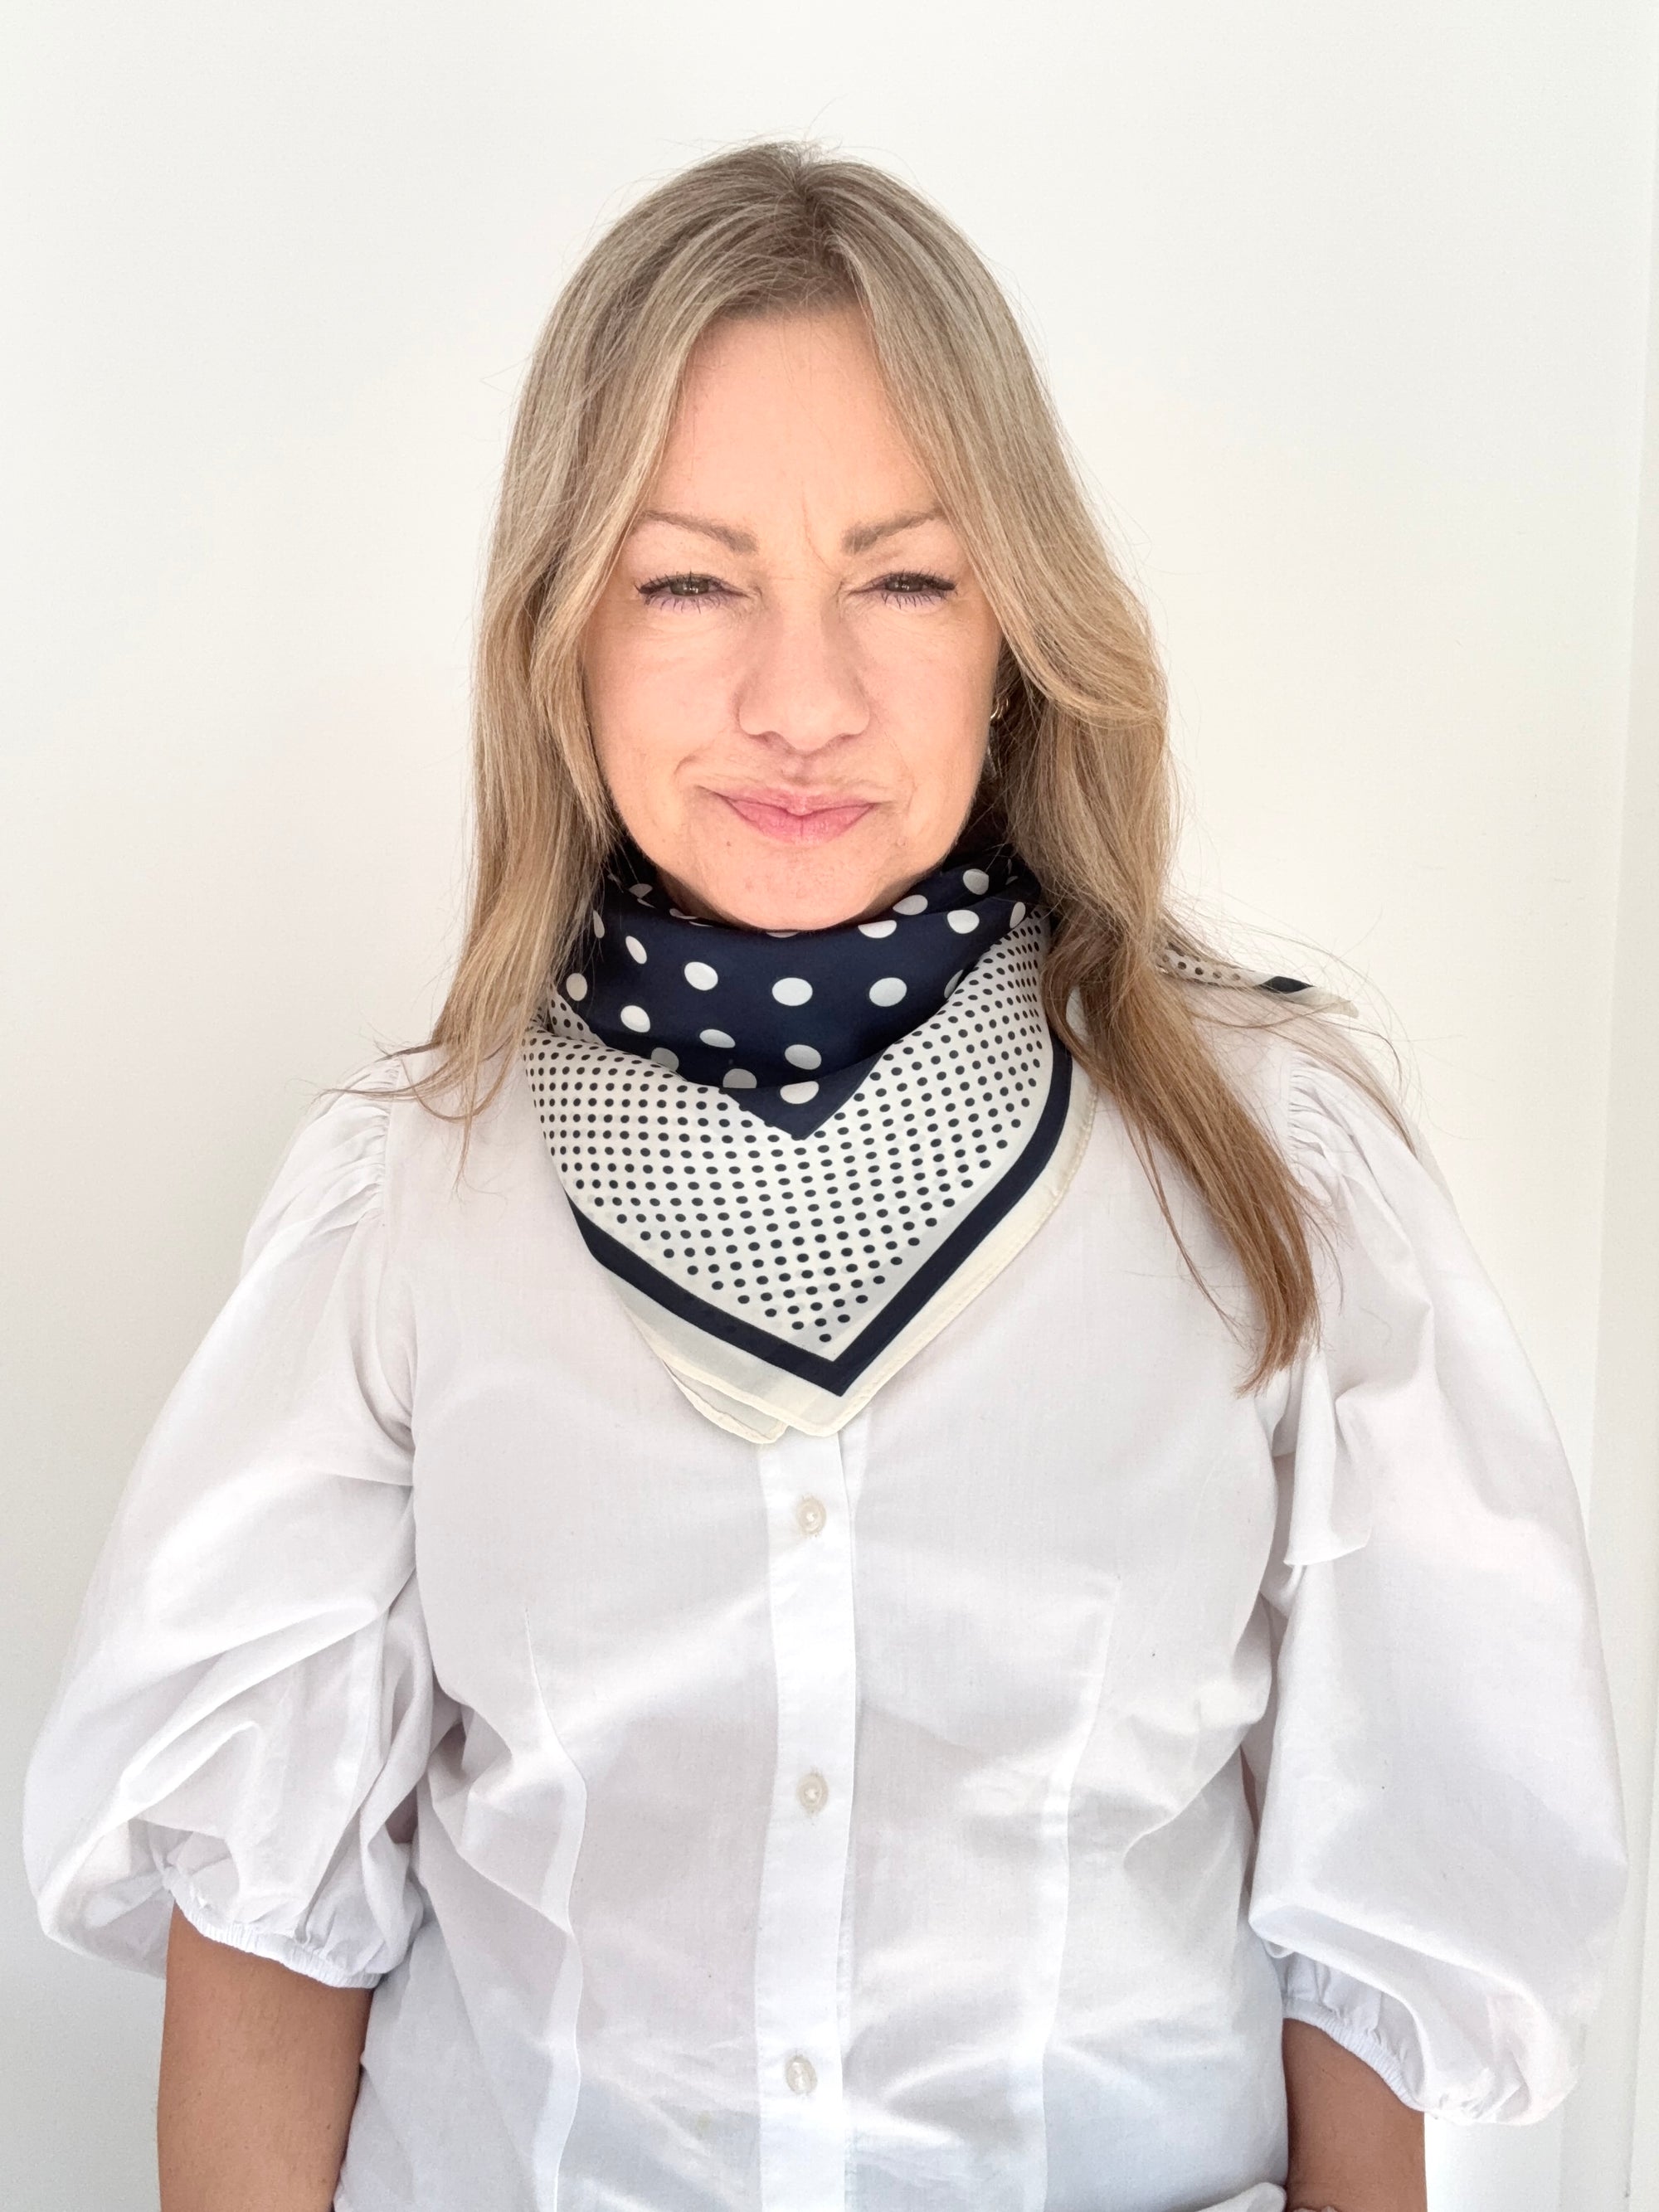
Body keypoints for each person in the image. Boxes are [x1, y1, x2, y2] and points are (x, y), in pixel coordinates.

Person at [23, 140, 1627, 2212]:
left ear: (1015, 630)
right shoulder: (398, 1213)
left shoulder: (1275, 1173)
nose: (804, 699)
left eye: (904, 577)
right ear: (561, 628)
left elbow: (1378, 1905)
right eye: (690, 580)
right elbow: (268, 1910)